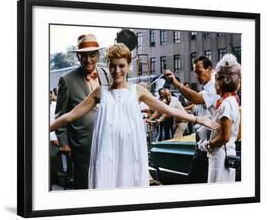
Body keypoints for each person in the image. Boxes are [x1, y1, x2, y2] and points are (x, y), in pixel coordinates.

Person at [51, 43, 218, 189]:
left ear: (129, 65)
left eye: (121, 66)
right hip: (106, 153)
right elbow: (70, 115)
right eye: (113, 66)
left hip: (130, 152)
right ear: (108, 66)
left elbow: (169, 110)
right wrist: (46, 128)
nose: (117, 71)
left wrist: (197, 119)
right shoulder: (100, 92)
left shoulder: (137, 91)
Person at [54, 34, 110, 189]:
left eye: (92, 55)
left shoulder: (107, 74)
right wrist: (64, 143)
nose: (88, 60)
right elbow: (60, 114)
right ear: (78, 56)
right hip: (81, 147)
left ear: (98, 55)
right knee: (84, 186)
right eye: (83, 56)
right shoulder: (66, 80)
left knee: (106, 184)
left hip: (108, 143)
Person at [164, 56, 220, 183]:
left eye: (199, 72)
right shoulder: (205, 89)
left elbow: (196, 98)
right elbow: (197, 110)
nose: (197, 76)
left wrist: (177, 84)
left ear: (209, 69)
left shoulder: (214, 88)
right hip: (201, 147)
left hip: (208, 149)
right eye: (195, 73)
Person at [198, 54, 241, 182]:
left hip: (221, 156)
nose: (214, 84)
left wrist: (208, 144)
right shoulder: (233, 101)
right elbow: (235, 134)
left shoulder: (226, 104)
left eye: (215, 80)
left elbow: (224, 137)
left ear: (221, 82)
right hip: (228, 154)